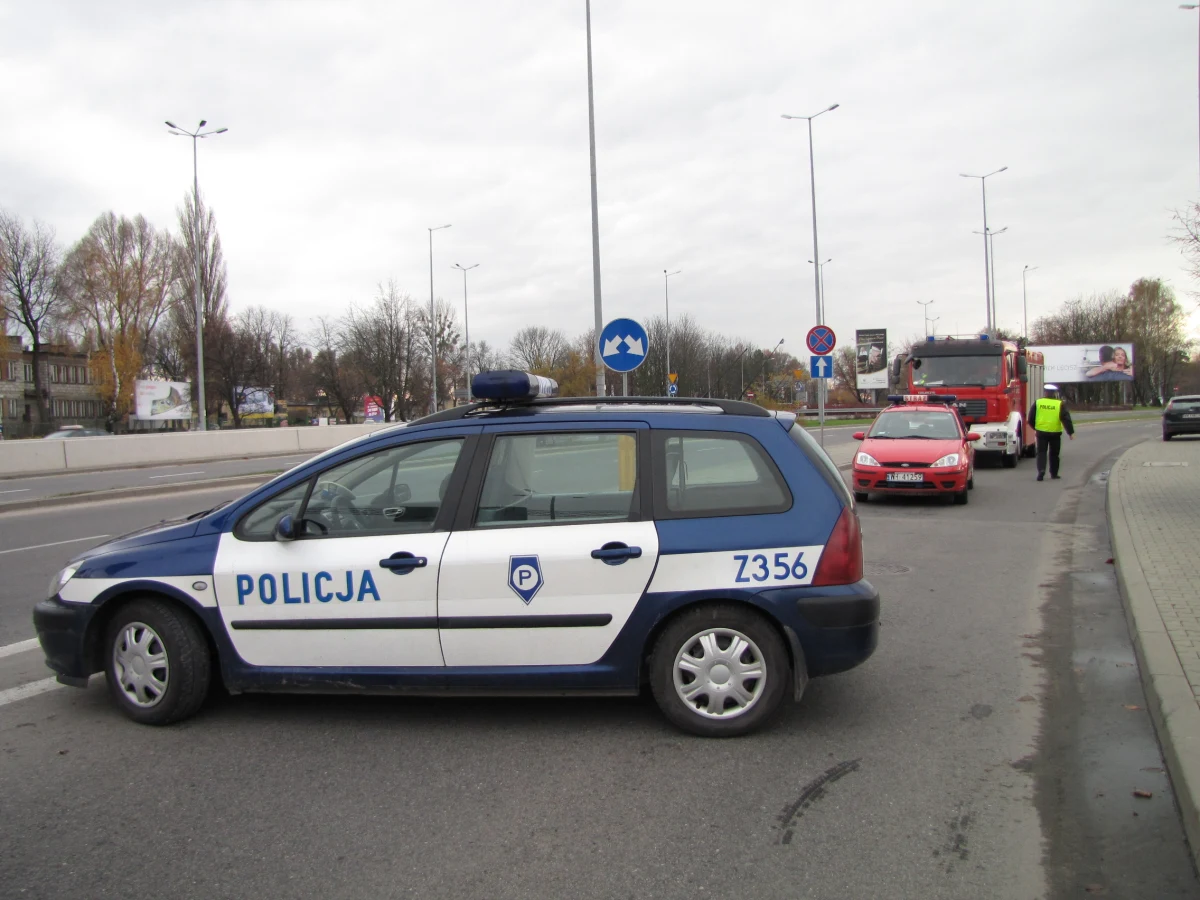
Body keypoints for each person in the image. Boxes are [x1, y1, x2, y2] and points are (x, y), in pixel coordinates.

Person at [1027, 383, 1075, 481]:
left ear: (1045, 393)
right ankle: (1054, 473)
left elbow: (1031, 418)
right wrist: (1070, 432)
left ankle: (1041, 470)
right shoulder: (1059, 404)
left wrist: (1036, 428)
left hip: (1041, 432)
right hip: (1055, 433)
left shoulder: (1038, 403)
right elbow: (1066, 419)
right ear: (1054, 393)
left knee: (1041, 453)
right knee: (1054, 454)